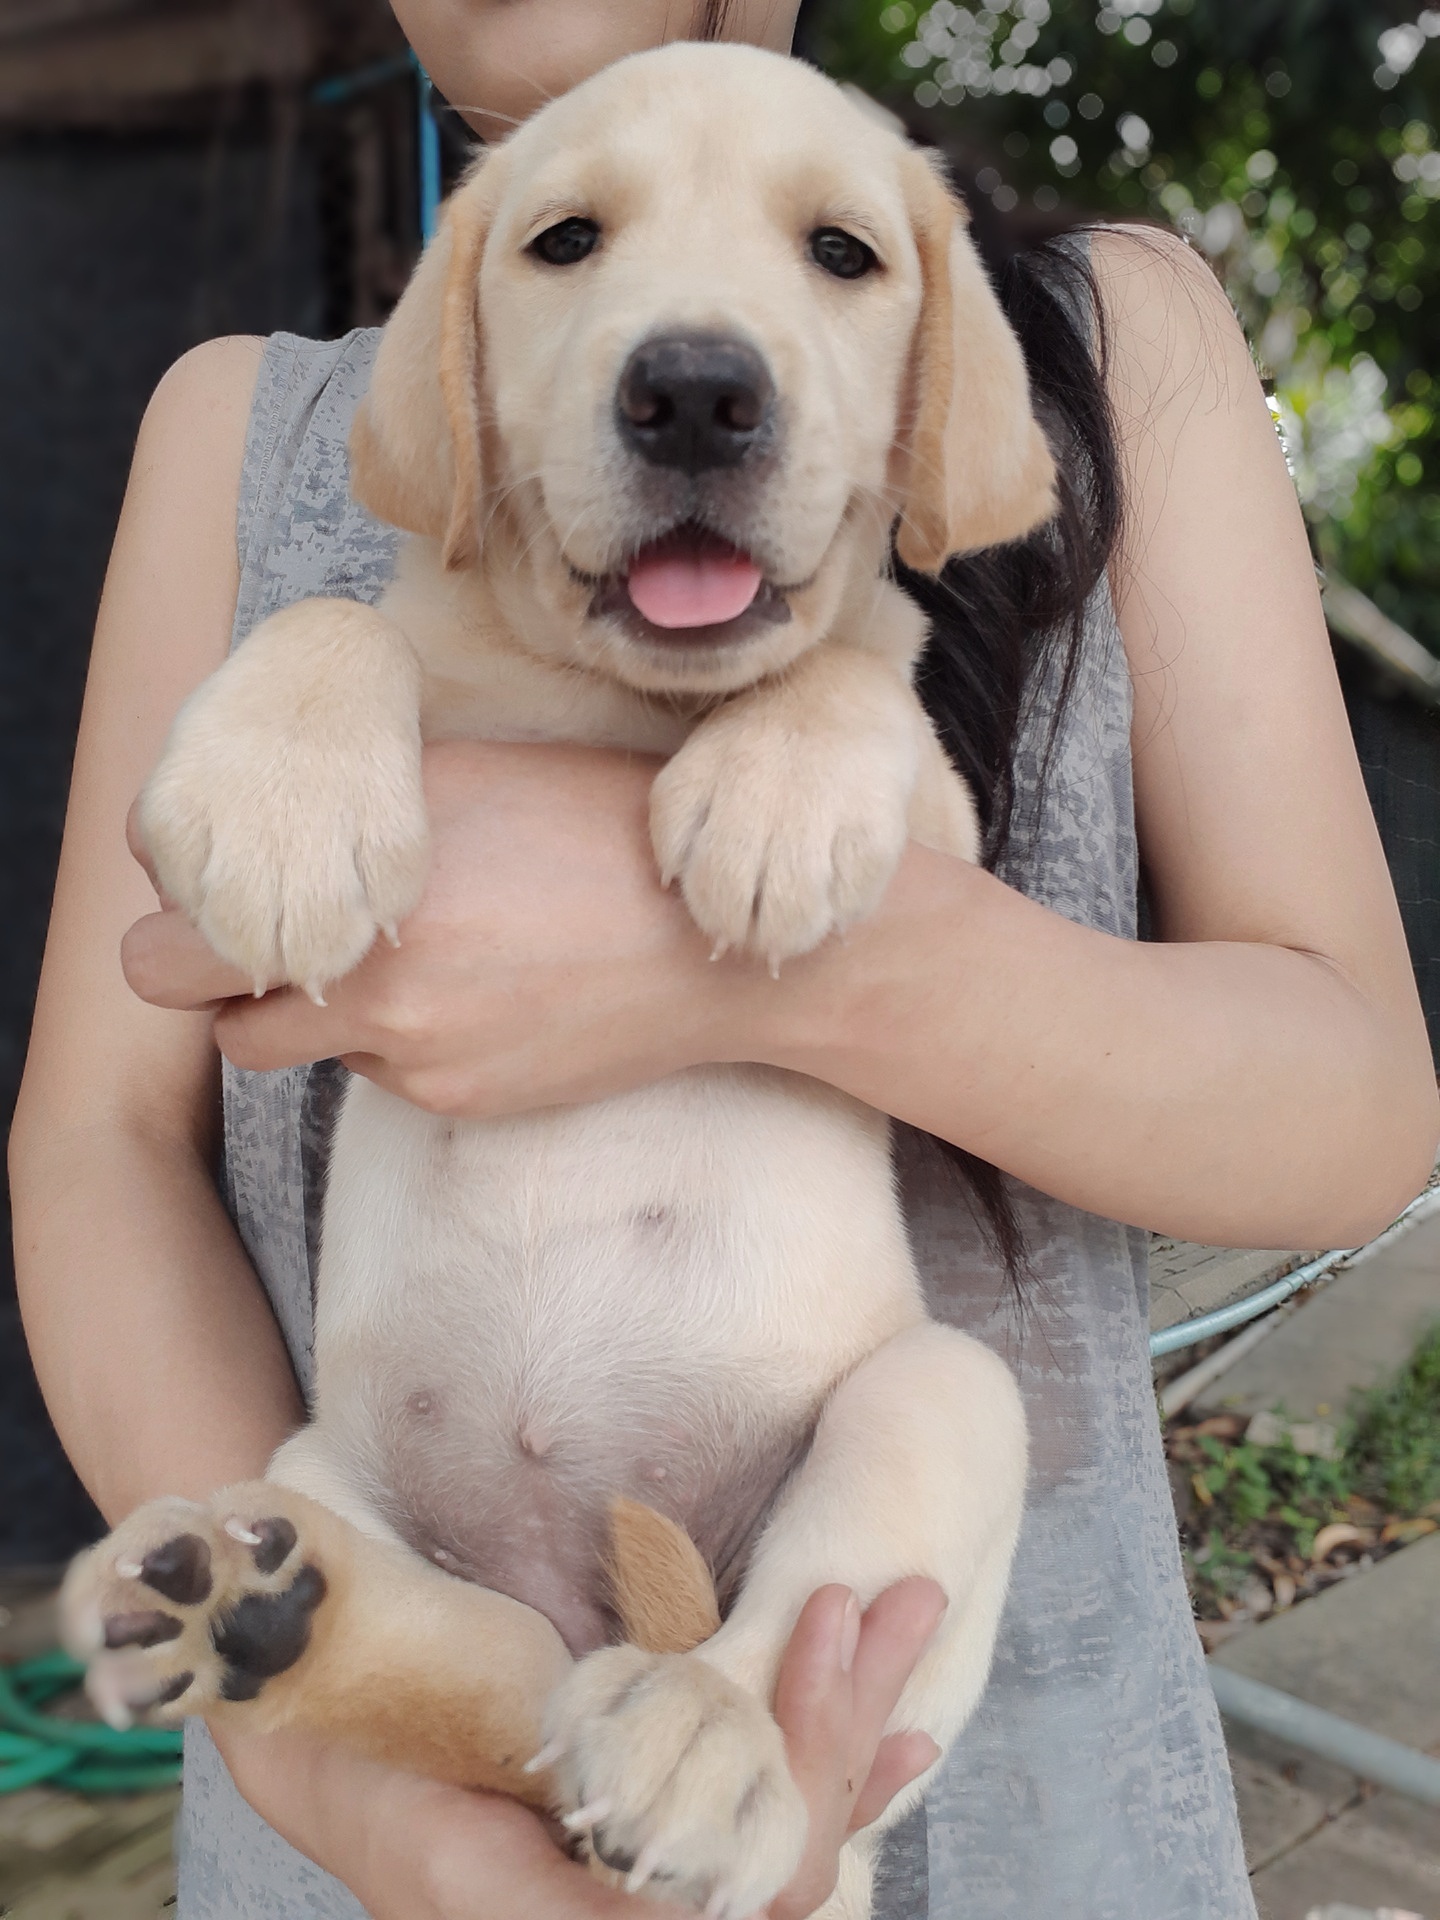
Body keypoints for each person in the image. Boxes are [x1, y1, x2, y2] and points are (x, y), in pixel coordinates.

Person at [10, 1, 1437, 1915]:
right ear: (460, 366)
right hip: (371, 1742)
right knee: (311, 1508)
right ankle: (447, 1677)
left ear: (927, 389)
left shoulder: (1103, 377)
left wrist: (761, 954)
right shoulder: (244, 450)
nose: (691, 370)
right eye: (567, 241)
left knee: (943, 1408)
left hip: (934, 1752)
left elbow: (1362, 1116)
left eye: (834, 252)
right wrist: (356, 1803)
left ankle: (742, 1737)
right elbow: (97, 1142)